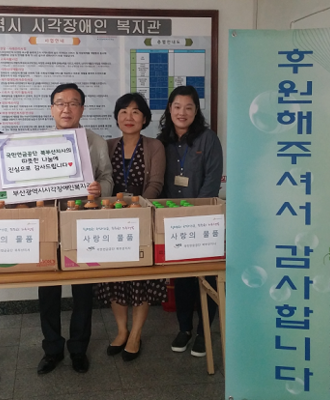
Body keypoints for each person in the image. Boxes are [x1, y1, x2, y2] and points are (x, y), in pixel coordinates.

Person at [37, 83, 113, 375]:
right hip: (49, 223)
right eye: (60, 103)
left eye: (73, 103)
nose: (66, 109)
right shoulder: (37, 142)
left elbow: (107, 178)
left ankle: (78, 348)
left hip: (83, 224)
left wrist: (99, 190)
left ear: (82, 108)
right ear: (51, 109)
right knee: (48, 289)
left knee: (83, 289)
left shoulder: (95, 141)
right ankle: (52, 349)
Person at [98, 93, 166, 361]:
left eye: (135, 112)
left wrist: (138, 209)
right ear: (116, 117)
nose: (129, 117)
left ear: (145, 118)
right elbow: (101, 180)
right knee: (115, 276)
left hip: (142, 220)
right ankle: (121, 331)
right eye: (123, 111)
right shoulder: (107, 145)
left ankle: (136, 334)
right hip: (112, 224)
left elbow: (156, 183)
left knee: (140, 279)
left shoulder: (154, 146)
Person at [157, 85, 223, 358]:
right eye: (177, 107)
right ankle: (184, 329)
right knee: (183, 279)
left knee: (207, 278)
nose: (182, 112)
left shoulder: (208, 139)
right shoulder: (162, 141)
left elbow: (212, 181)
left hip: (203, 221)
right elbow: (160, 182)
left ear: (196, 111)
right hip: (173, 222)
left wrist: (195, 215)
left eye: (188, 107)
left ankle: (204, 331)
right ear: (169, 109)